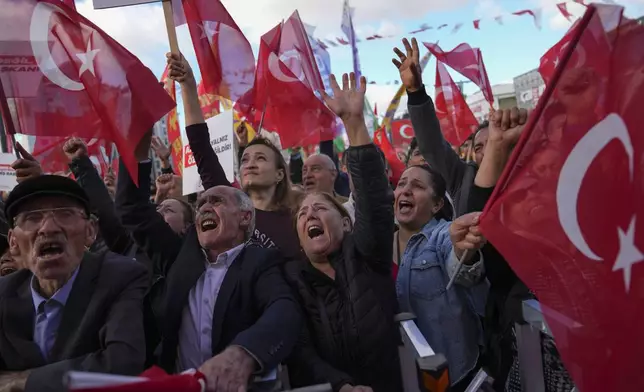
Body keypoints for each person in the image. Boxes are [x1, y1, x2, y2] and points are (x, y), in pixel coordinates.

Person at [115, 130, 302, 391]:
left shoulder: (262, 262)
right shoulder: (179, 254)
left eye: (216, 201)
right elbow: (131, 210)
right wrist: (137, 154)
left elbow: (284, 311)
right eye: (201, 203)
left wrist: (244, 354)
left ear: (244, 218)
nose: (204, 207)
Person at [285, 73, 402, 392]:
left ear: (347, 223)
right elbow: (300, 351)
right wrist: (340, 386)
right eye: (303, 213)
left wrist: (353, 124)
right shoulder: (292, 280)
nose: (310, 213)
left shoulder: (366, 255)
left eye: (321, 208)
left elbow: (375, 201)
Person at [0, 175, 148, 392]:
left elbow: (122, 364)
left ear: (90, 232)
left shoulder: (120, 276)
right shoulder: (4, 292)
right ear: (13, 242)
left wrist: (26, 380)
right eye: (32, 217)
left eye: (65, 214)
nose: (48, 228)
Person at [167, 53, 302, 261]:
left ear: (279, 174)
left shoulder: (297, 221)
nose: (249, 164)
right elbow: (200, 146)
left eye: (260, 158)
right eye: (245, 159)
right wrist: (188, 85)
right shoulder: (226, 203)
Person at [394, 164, 488, 391]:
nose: (405, 190)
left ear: (437, 205)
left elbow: (463, 267)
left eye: (417, 186)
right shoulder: (378, 243)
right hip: (404, 375)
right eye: (401, 184)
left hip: (453, 375)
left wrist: (463, 250)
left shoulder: (443, 234)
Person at [393, 37, 486, 217]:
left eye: (493, 141)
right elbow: (432, 145)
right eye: (479, 146)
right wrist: (416, 92)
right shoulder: (463, 178)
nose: (486, 150)